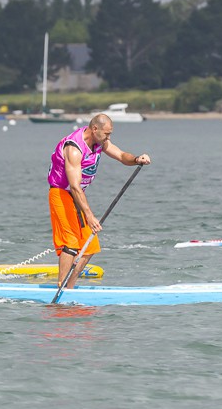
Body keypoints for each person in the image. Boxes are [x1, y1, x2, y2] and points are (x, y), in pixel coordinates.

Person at [48, 113, 151, 288]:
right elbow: (74, 186)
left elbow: (120, 155)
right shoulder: (74, 148)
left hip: (77, 196)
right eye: (107, 134)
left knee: (90, 247)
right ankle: (61, 286)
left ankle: (69, 287)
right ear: (95, 129)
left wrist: (136, 159)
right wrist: (89, 215)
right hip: (61, 193)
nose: (108, 138)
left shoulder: (99, 142)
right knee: (70, 243)